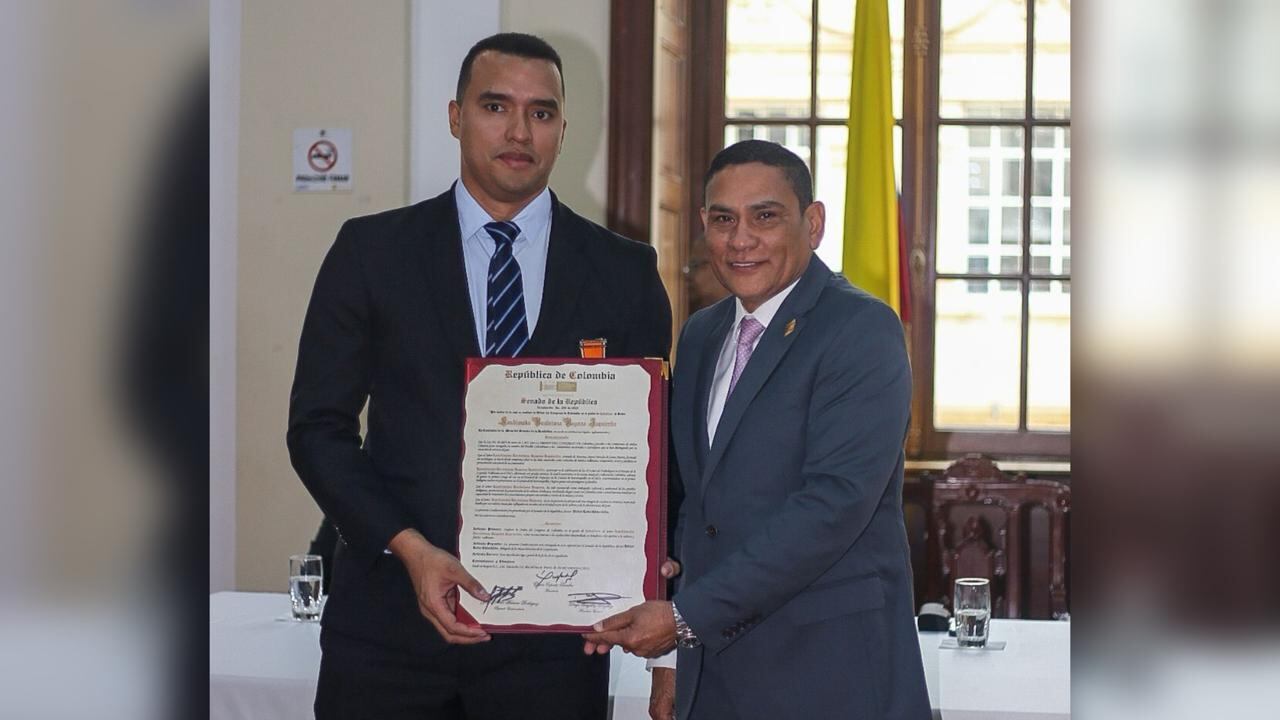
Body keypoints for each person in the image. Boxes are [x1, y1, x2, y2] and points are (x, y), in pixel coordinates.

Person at [288, 32, 672, 720]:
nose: (520, 131)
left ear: (563, 130)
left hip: (555, 650)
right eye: (496, 106)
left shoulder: (625, 272)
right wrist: (409, 549)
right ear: (456, 116)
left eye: (542, 112)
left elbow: (649, 455)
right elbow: (317, 430)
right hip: (388, 635)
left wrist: (651, 587)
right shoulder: (371, 253)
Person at [582, 140, 930, 719]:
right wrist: (670, 661)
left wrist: (684, 618)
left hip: (829, 675)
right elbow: (695, 505)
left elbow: (833, 505)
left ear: (813, 223)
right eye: (723, 220)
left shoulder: (862, 329)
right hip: (714, 675)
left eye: (764, 216)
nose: (740, 239)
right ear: (704, 225)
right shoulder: (701, 334)